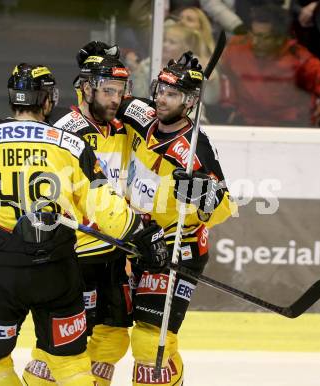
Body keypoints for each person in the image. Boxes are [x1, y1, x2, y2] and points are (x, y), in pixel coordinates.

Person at [0, 63, 169, 386]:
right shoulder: (72, 144)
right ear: (48, 100)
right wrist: (143, 236)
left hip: (1, 272)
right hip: (58, 273)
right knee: (71, 362)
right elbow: (107, 209)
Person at [117, 52, 237, 385]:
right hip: (138, 239)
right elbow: (103, 105)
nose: (161, 99)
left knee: (149, 340)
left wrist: (201, 193)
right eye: (160, 90)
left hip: (177, 247)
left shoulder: (197, 148)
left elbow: (224, 207)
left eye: (171, 94)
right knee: (113, 332)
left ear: (188, 102)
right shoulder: (140, 114)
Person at [22, 43, 135, 386]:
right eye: (108, 91)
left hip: (113, 248)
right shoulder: (66, 132)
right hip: (75, 252)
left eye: (120, 92)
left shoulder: (122, 126)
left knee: (114, 337)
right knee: (62, 344)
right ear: (85, 88)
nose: (116, 99)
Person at [220, 3, 320, 127]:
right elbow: (226, 76)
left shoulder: (299, 58)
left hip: (290, 128)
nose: (256, 42)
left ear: (280, 38)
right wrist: (229, 106)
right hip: (248, 126)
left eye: (264, 37)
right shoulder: (236, 50)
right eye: (254, 35)